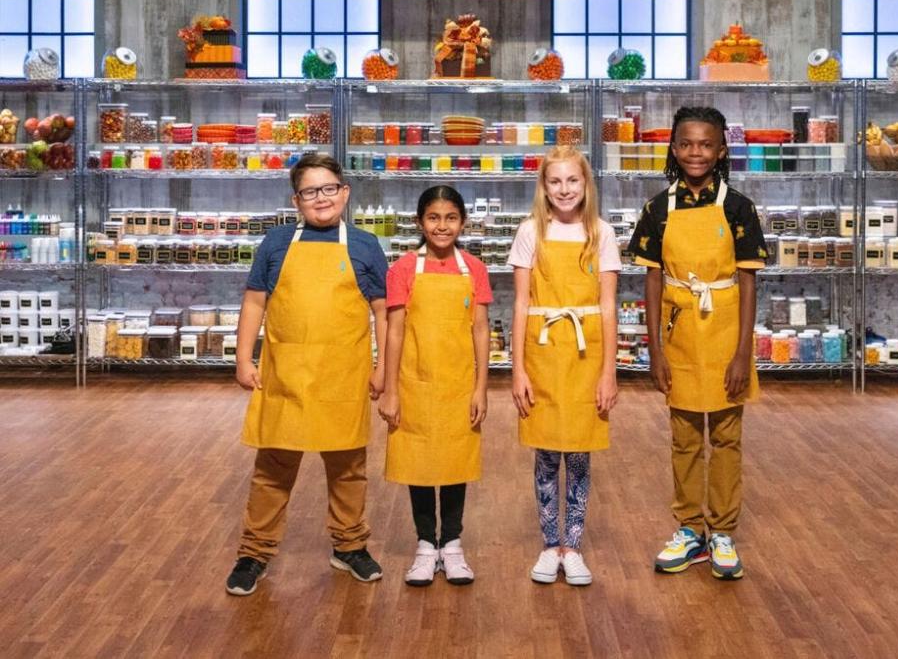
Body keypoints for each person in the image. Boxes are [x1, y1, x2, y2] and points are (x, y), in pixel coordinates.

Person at [225, 153, 388, 596]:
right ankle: (253, 553)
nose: (321, 198)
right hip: (286, 376)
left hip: (344, 377)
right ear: (296, 200)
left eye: (329, 188)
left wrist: (383, 367)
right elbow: (256, 301)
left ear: (345, 193)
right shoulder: (277, 243)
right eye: (310, 191)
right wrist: (244, 357)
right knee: (273, 469)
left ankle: (350, 546)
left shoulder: (365, 245)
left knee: (348, 467)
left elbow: (382, 312)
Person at [628, 106, 766, 581]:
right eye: (686, 143)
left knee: (726, 435)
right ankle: (690, 529)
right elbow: (651, 280)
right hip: (679, 332)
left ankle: (723, 531)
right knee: (684, 436)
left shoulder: (739, 208)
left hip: (727, 333)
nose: (695, 153)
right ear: (673, 148)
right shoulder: (657, 209)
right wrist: (656, 350)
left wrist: (743, 353)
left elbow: (749, 283)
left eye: (706, 144)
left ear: (722, 150)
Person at [509, 145, 619, 587]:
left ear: (586, 184)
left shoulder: (602, 234)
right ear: (544, 187)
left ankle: (572, 546)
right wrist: (518, 369)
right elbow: (521, 303)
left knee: (578, 452)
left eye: (572, 180)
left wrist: (609, 371)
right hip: (542, 352)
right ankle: (548, 543)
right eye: (555, 181)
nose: (564, 189)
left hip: (586, 354)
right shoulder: (529, 233)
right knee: (545, 450)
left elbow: (608, 308)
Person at [378, 185, 491, 587]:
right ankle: (426, 545)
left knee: (456, 461)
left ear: (463, 222)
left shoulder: (474, 269)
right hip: (414, 382)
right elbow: (394, 332)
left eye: (450, 218)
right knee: (419, 464)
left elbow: (480, 330)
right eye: (433, 218)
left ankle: (453, 544)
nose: (442, 227)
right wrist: (390, 390)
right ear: (419, 222)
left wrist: (481, 388)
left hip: (459, 385)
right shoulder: (403, 269)